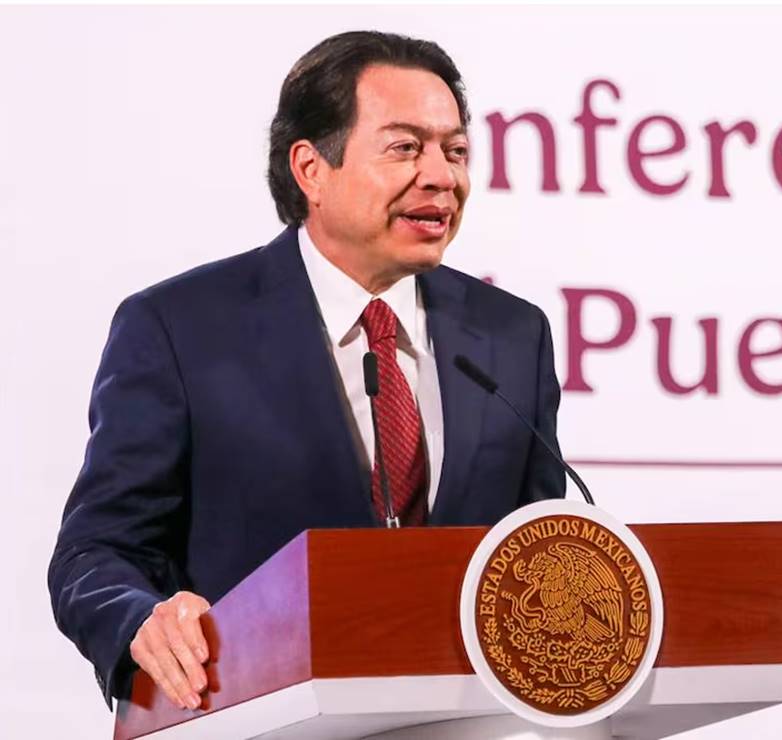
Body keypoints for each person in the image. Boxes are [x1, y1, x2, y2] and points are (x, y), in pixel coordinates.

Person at [47, 30, 565, 711]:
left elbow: (539, 547)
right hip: (251, 712)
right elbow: (97, 551)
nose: (442, 176)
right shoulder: (180, 327)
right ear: (310, 168)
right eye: (406, 147)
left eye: (455, 150)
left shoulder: (510, 334)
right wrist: (141, 620)